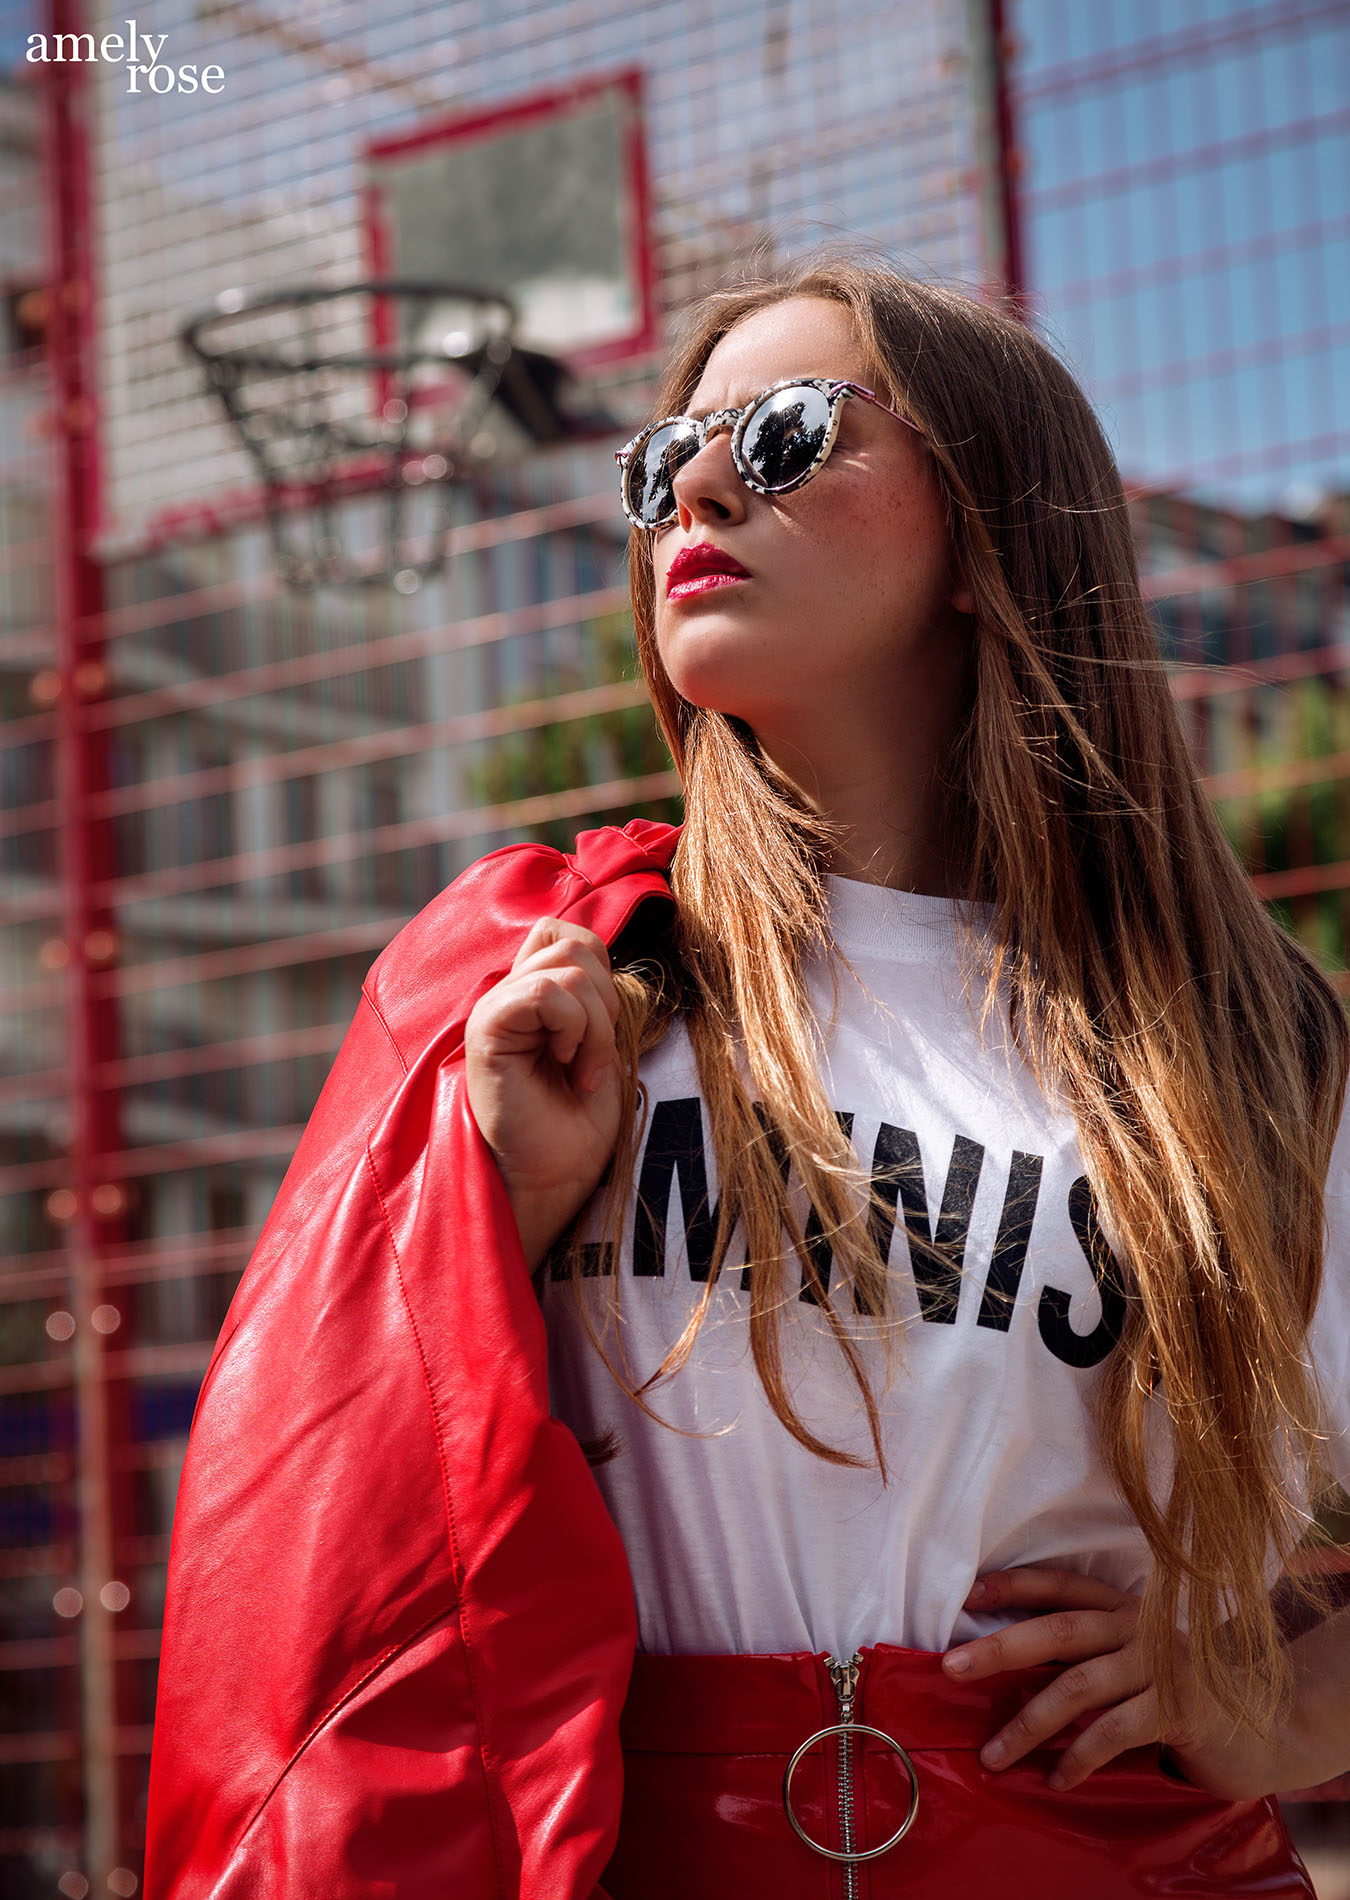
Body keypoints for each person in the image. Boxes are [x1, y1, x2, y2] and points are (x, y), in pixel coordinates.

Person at [143, 256, 1350, 1899]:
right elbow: (329, 1512)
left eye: (785, 434)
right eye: (662, 462)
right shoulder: (547, 979)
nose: (695, 484)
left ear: (996, 537)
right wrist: (499, 1214)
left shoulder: (1251, 1043)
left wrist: (1274, 1697)